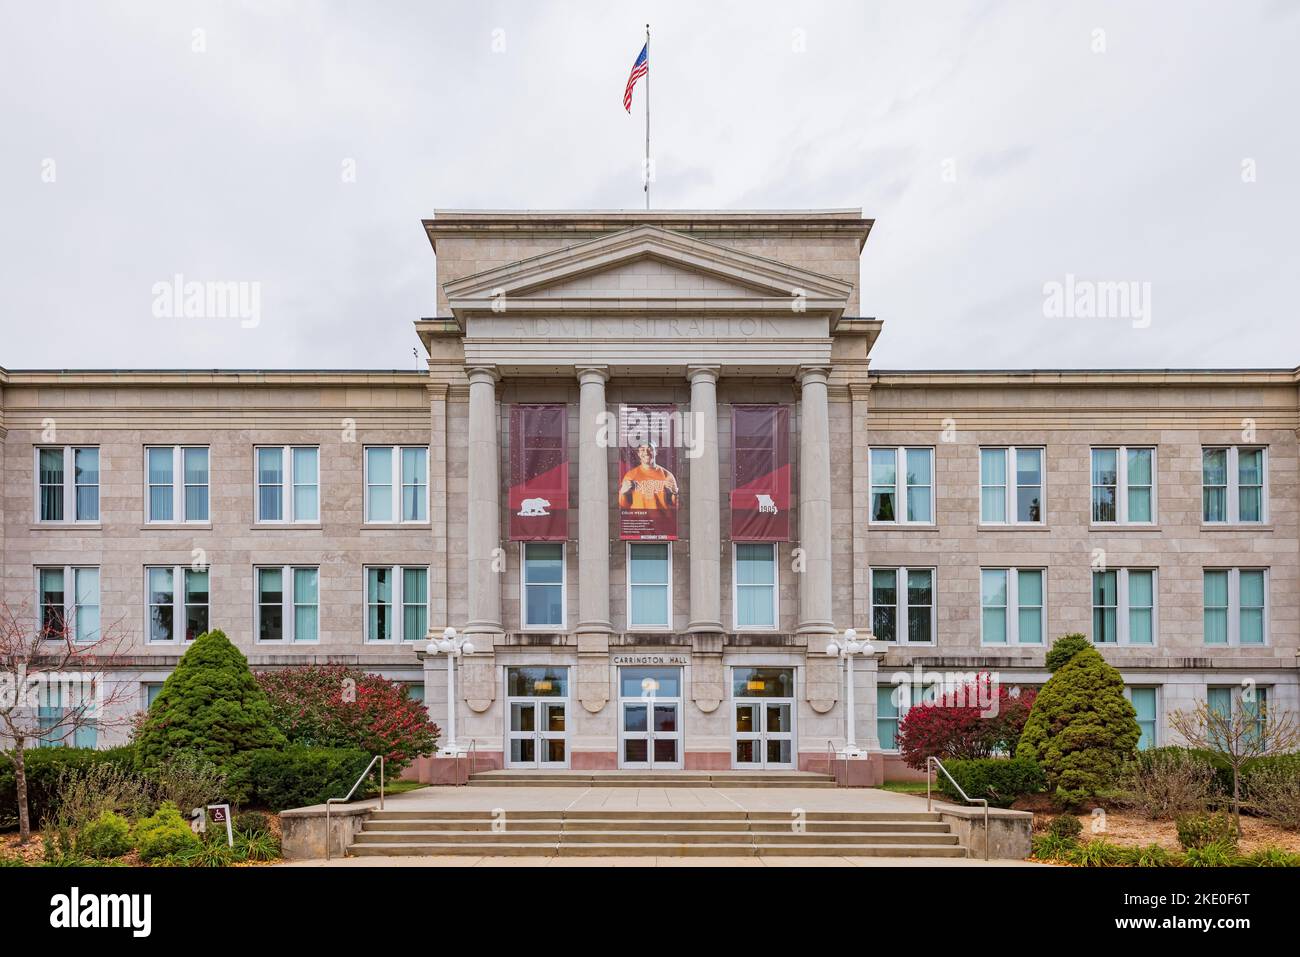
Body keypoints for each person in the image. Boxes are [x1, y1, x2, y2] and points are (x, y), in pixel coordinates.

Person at [619, 442, 678, 509]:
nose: (646, 452)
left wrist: (675, 493)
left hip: (661, 518)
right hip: (639, 518)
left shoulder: (667, 475)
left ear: (656, 452)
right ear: (638, 454)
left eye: (650, 449)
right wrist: (623, 493)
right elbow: (623, 505)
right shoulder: (630, 475)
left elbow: (677, 505)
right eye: (642, 450)